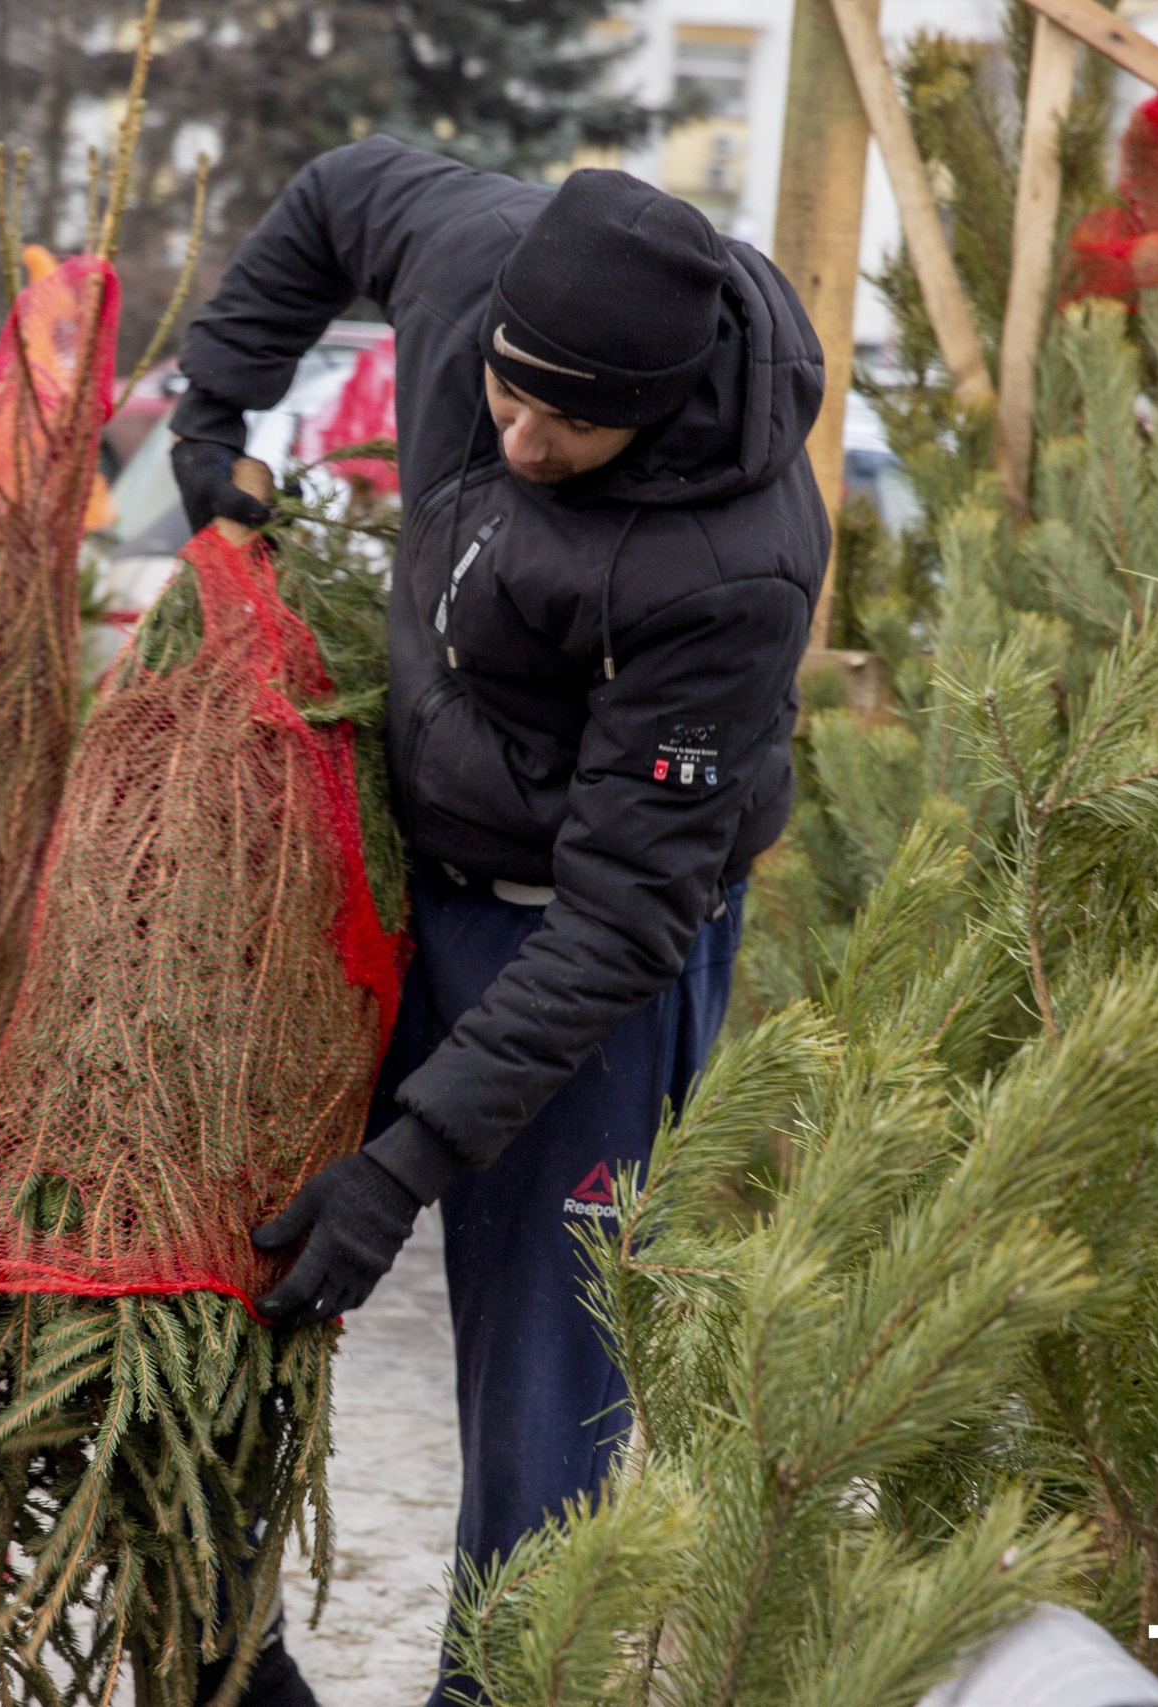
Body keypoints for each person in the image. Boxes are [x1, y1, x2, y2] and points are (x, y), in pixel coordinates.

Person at [175, 138, 827, 1706]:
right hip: (404, 873)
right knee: (220, 1251)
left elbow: (616, 932)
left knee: (549, 1378)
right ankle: (228, 1667)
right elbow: (334, 188)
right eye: (505, 398)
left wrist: (402, 1169)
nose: (521, 440)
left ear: (659, 404)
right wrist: (217, 405)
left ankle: (501, 1684)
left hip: (580, 951)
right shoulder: (483, 261)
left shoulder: (733, 569)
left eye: (571, 423)